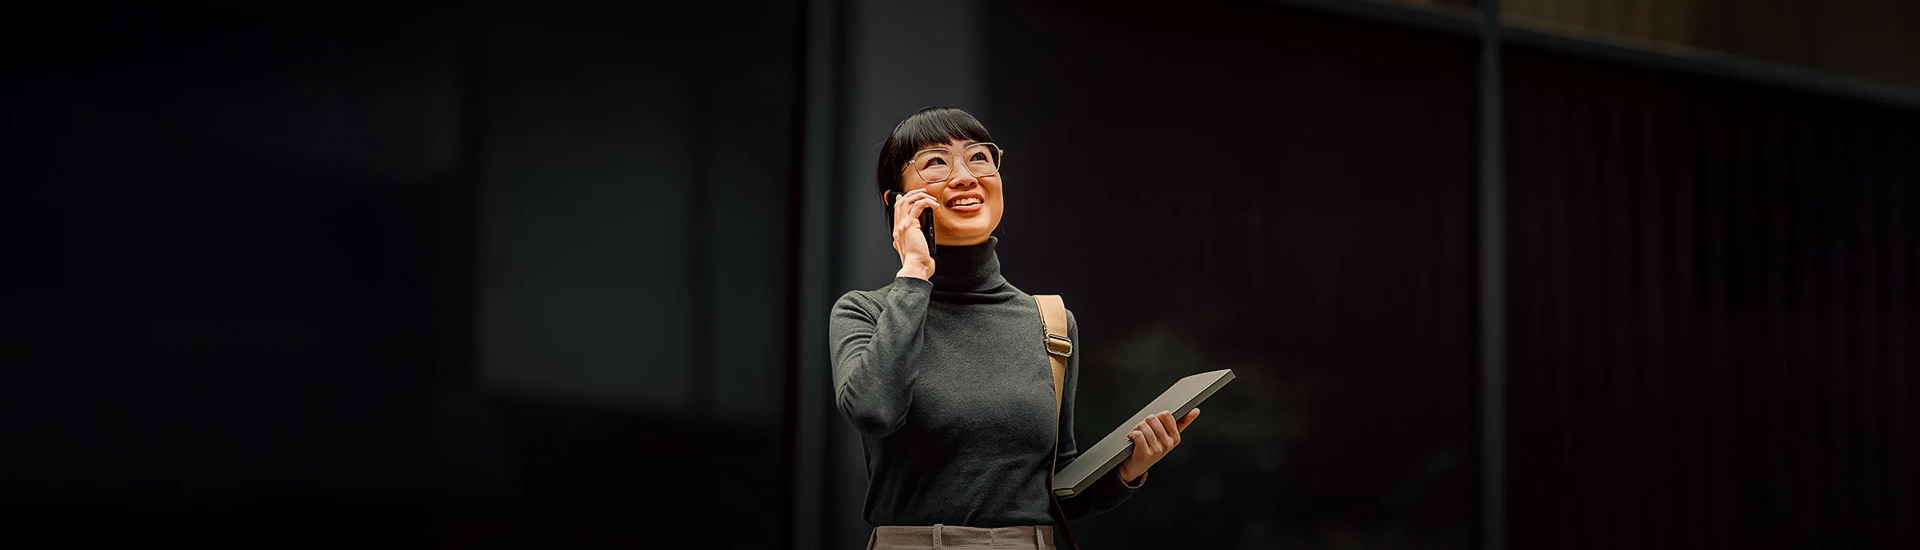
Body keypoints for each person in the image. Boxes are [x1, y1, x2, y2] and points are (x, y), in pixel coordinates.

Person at [829, 107, 1200, 550]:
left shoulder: (1050, 321)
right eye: (935, 162)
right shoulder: (866, 311)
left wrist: (1129, 467)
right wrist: (913, 276)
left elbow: (1056, 495)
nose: (965, 177)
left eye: (979, 157)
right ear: (897, 203)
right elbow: (874, 411)